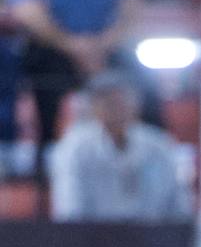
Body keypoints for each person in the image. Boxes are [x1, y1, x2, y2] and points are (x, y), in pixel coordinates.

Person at [8, 0, 145, 158]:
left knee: (145, 82)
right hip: (55, 49)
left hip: (108, 47)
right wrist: (73, 45)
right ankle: (44, 162)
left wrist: (101, 44)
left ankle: (149, 156)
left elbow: (132, 9)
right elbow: (28, 12)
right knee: (41, 74)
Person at [48, 68, 191, 220]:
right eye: (109, 103)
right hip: (92, 238)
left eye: (123, 101)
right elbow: (70, 208)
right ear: (93, 108)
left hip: (151, 237)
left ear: (136, 103)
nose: (117, 109)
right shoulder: (75, 148)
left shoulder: (158, 144)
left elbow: (178, 205)